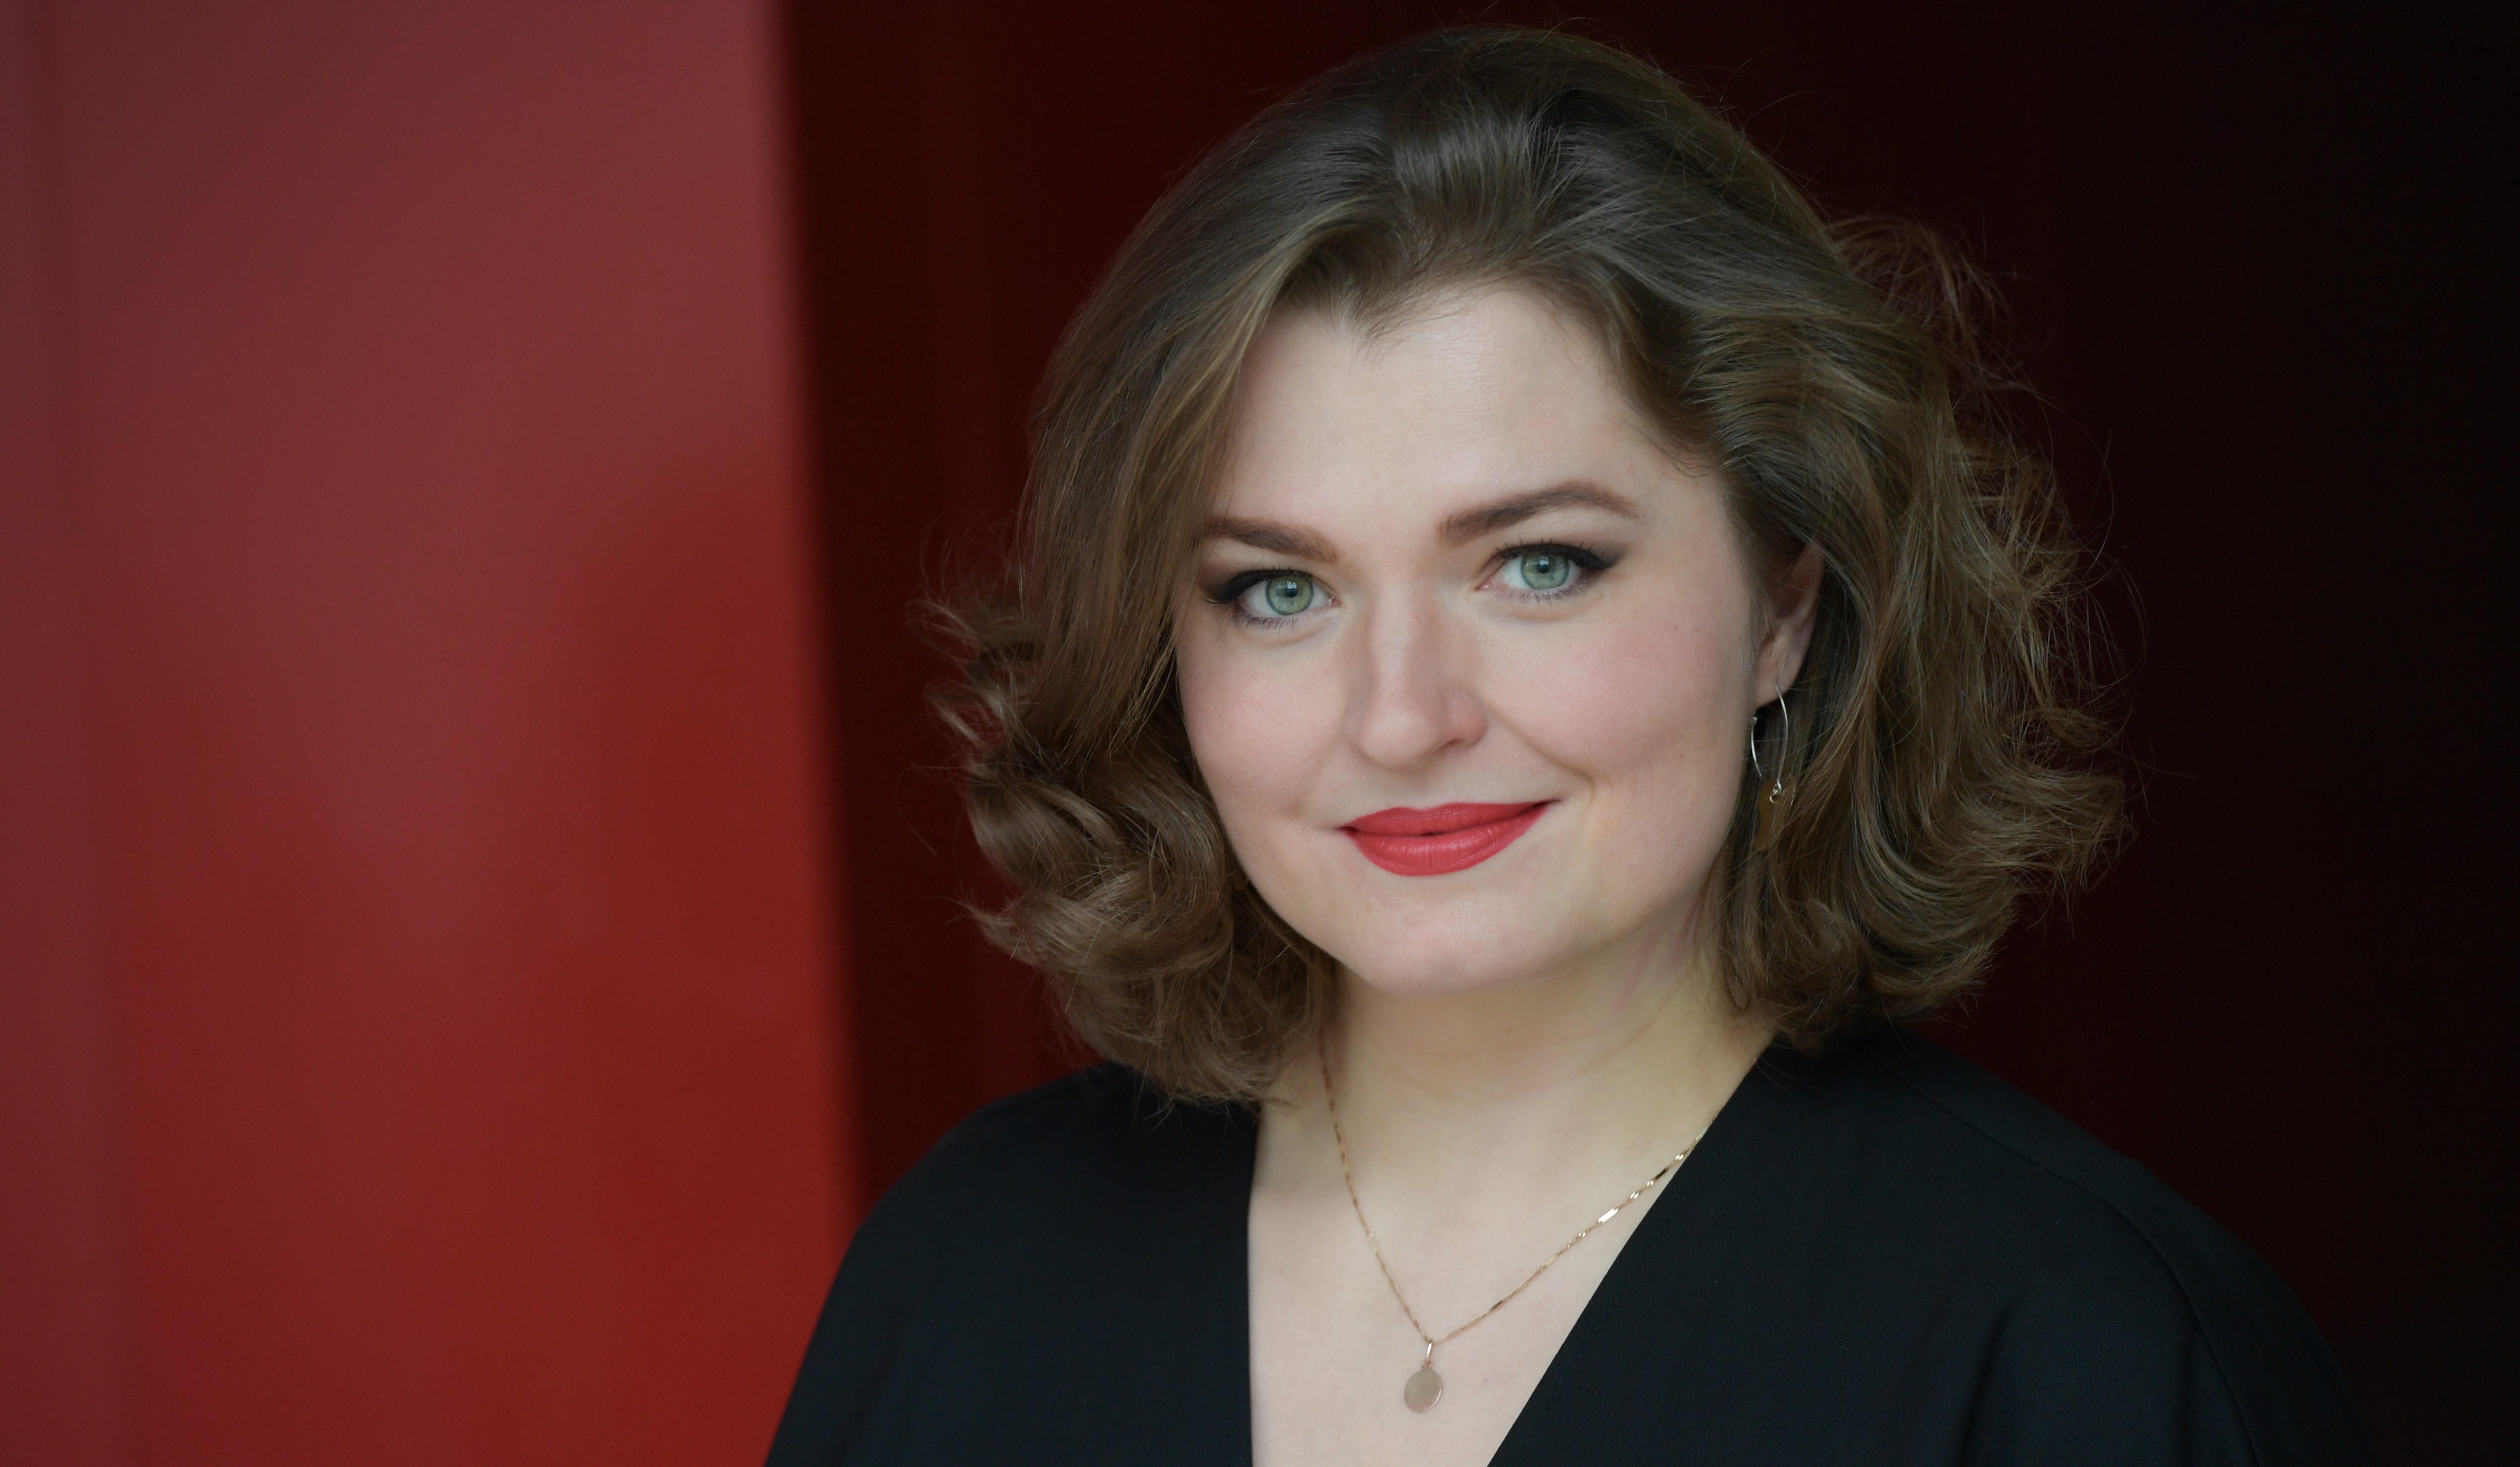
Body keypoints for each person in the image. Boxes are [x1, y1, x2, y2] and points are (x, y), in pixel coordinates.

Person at [767, 26, 2369, 1467]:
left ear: (1785, 606)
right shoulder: (966, 1268)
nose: (1403, 715)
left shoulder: (2082, 1351)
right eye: (1279, 589)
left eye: (1539, 564)